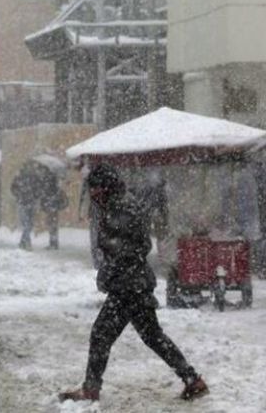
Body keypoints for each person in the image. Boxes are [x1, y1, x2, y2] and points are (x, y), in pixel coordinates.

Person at [59, 164, 209, 403]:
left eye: (95, 189)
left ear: (106, 187)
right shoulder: (118, 204)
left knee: (101, 334)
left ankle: (91, 389)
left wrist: (111, 270)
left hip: (128, 286)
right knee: (152, 336)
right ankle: (192, 379)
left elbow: (131, 246)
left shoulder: (121, 207)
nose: (93, 194)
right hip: (132, 283)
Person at [10, 162, 43, 250]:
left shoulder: (20, 177)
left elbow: (13, 188)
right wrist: (35, 196)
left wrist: (18, 195)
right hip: (28, 202)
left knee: (27, 224)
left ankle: (22, 242)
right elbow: (39, 189)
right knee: (28, 224)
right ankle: (28, 243)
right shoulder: (33, 177)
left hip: (25, 202)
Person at [39, 172, 68, 250]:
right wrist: (59, 206)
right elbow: (64, 200)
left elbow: (43, 198)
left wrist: (43, 207)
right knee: (54, 226)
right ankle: (54, 243)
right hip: (54, 209)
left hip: (50, 209)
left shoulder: (47, 188)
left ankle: (53, 243)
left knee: (51, 226)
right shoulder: (57, 189)